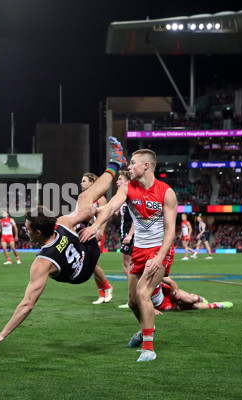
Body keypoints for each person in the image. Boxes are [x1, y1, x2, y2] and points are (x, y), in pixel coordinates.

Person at [0, 137, 126, 348]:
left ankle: (120, 176)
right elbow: (86, 210)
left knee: (86, 200)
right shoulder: (62, 223)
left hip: (81, 273)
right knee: (86, 199)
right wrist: (97, 220)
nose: (25, 231)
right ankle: (115, 164)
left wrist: (2, 335)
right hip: (88, 248)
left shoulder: (43, 262)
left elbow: (27, 304)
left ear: (38, 232)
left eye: (27, 228)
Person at [80, 148, 177, 362]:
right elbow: (109, 207)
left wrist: (159, 258)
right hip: (138, 250)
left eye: (133, 163)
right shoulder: (127, 189)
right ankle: (145, 330)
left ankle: (149, 349)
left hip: (160, 250)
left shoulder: (166, 192)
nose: (129, 166)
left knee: (144, 293)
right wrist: (96, 226)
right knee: (133, 302)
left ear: (146, 166)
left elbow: (170, 230)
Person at [78, 172, 114, 304]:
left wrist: (101, 230)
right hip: (87, 232)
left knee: (93, 263)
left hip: (96, 232)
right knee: (92, 264)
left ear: (92, 183)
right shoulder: (84, 198)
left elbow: (104, 215)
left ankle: (107, 287)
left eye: (84, 181)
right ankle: (102, 293)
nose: (81, 183)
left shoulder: (100, 198)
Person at [151, 277, 232, 313]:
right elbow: (139, 299)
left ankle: (198, 298)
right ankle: (215, 305)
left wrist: (175, 289)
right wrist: (151, 309)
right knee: (190, 307)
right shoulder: (139, 277)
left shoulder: (156, 270)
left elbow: (171, 282)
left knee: (191, 300)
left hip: (166, 292)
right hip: (160, 304)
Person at [115, 170, 134, 309]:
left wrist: (130, 235)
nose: (117, 181)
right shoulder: (124, 196)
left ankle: (133, 299)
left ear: (127, 181)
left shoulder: (130, 195)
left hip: (129, 235)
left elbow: (136, 218)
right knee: (130, 267)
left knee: (128, 267)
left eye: (120, 179)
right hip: (126, 234)